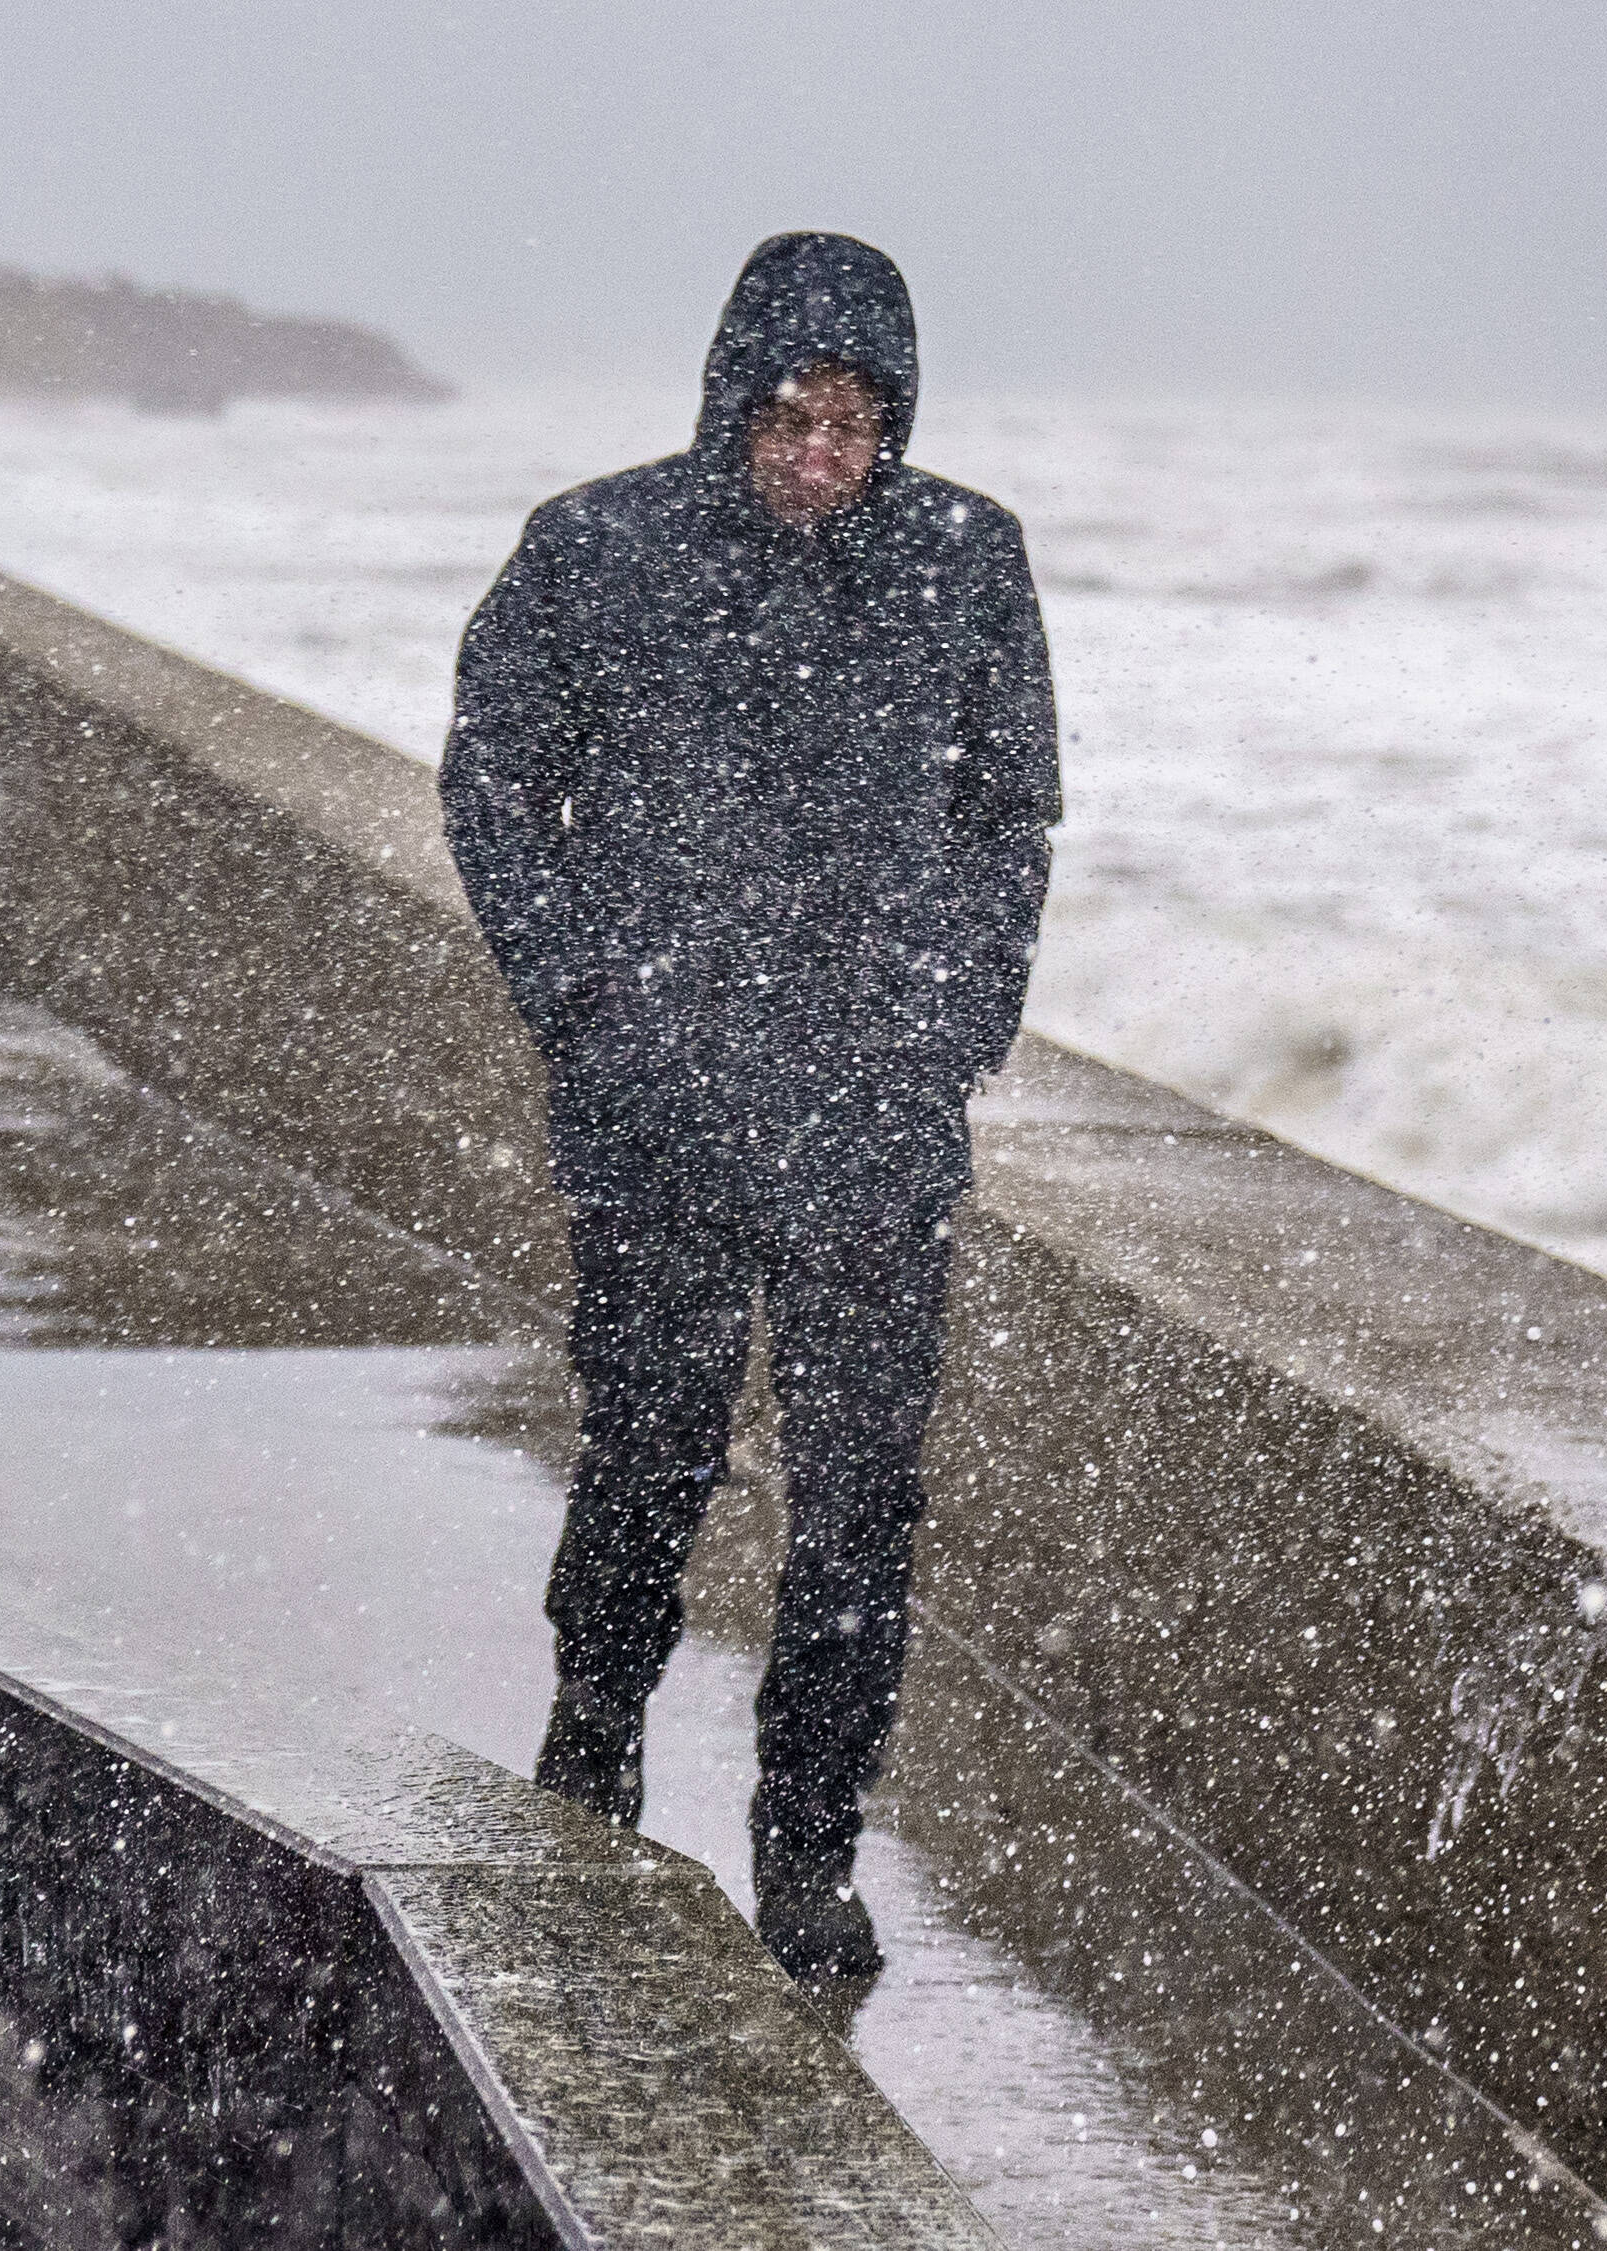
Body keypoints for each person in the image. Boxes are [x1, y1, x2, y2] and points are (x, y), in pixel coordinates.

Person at [441, 233, 1060, 1984]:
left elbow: (1014, 819)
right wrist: (584, 1006)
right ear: (733, 404)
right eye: (790, 416)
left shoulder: (966, 563)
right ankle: (593, 1742)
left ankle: (809, 1843)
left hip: (873, 1125)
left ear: (896, 425)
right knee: (649, 1452)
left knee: (863, 1499)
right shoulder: (595, 549)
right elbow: (494, 780)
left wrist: (953, 1027)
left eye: (854, 423)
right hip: (663, 1112)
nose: (819, 454)